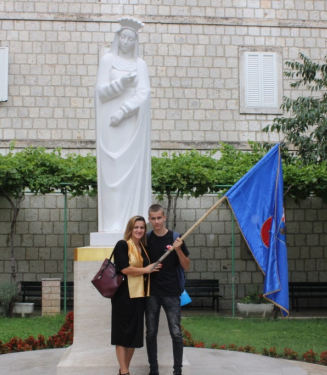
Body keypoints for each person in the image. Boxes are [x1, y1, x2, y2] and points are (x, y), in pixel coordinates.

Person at [95, 17, 152, 233]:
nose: (127, 42)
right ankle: (112, 225)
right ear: (118, 39)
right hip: (110, 127)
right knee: (112, 174)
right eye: (123, 37)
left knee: (130, 173)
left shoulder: (140, 65)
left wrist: (124, 110)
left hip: (131, 126)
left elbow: (144, 94)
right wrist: (121, 84)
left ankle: (132, 223)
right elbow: (100, 92)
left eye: (131, 39)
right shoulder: (107, 60)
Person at [112, 215, 162, 375]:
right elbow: (124, 269)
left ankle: (123, 370)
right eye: (136, 227)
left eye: (142, 227)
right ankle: (125, 372)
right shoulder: (123, 245)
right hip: (123, 296)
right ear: (130, 229)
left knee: (134, 334)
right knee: (122, 334)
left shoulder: (143, 248)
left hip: (140, 296)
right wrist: (146, 270)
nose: (139, 230)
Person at [145, 204, 191, 375]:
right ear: (149, 219)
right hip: (151, 293)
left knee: (176, 332)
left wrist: (178, 250)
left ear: (164, 217)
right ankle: (153, 370)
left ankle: (177, 371)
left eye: (159, 218)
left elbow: (186, 266)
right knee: (150, 333)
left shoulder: (176, 238)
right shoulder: (147, 238)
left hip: (171, 293)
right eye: (153, 218)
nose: (156, 221)